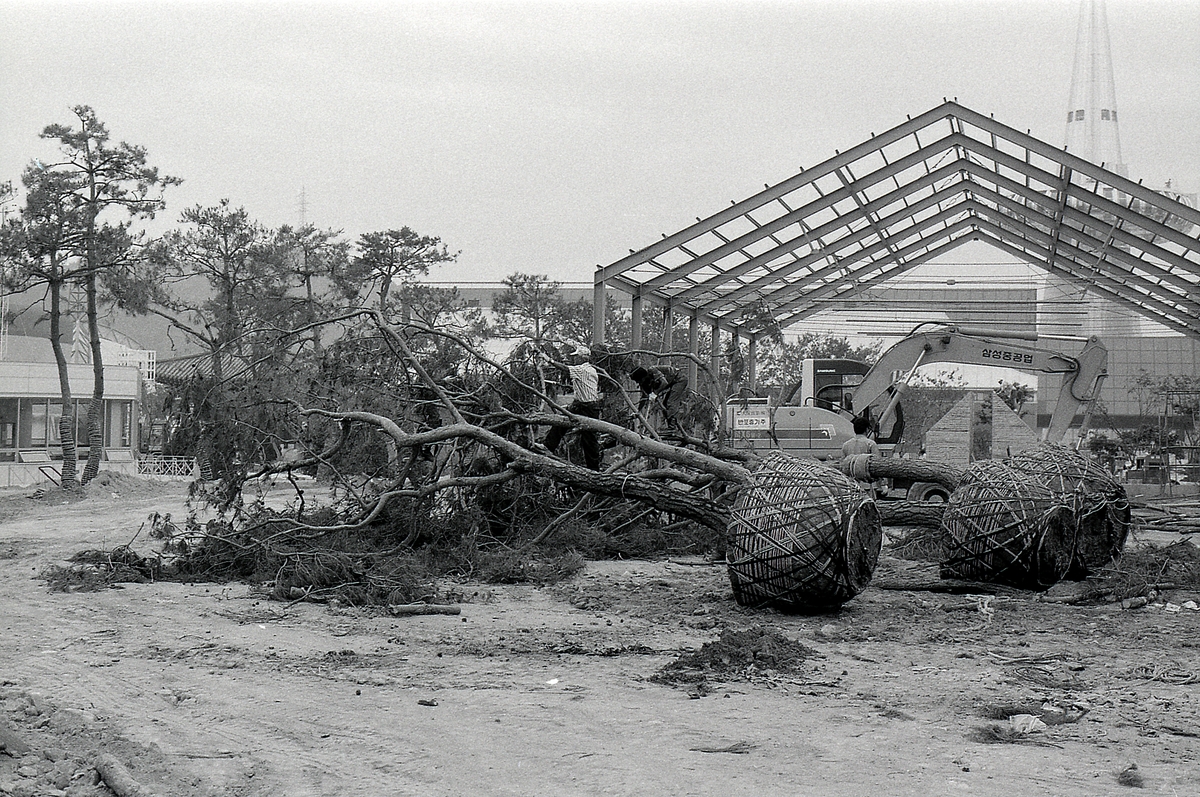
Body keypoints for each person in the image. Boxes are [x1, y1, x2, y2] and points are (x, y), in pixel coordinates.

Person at [542, 345, 603, 470]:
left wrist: (549, 360)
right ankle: (548, 446)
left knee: (589, 440)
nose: (574, 359)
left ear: (582, 358)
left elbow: (564, 369)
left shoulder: (582, 370)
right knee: (561, 422)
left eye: (576, 357)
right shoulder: (588, 369)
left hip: (589, 408)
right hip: (579, 404)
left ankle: (594, 470)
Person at [628, 364, 688, 434]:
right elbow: (644, 397)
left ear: (642, 377)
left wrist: (655, 393)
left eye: (638, 380)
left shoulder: (652, 370)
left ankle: (672, 427)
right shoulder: (644, 383)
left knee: (671, 402)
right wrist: (638, 411)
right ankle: (671, 426)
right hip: (672, 382)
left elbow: (664, 382)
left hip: (680, 379)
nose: (638, 382)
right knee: (665, 404)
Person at [840, 415, 881, 490]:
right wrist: (883, 484)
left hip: (851, 485)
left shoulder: (846, 445)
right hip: (867, 485)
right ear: (867, 429)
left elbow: (842, 466)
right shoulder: (870, 444)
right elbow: (878, 466)